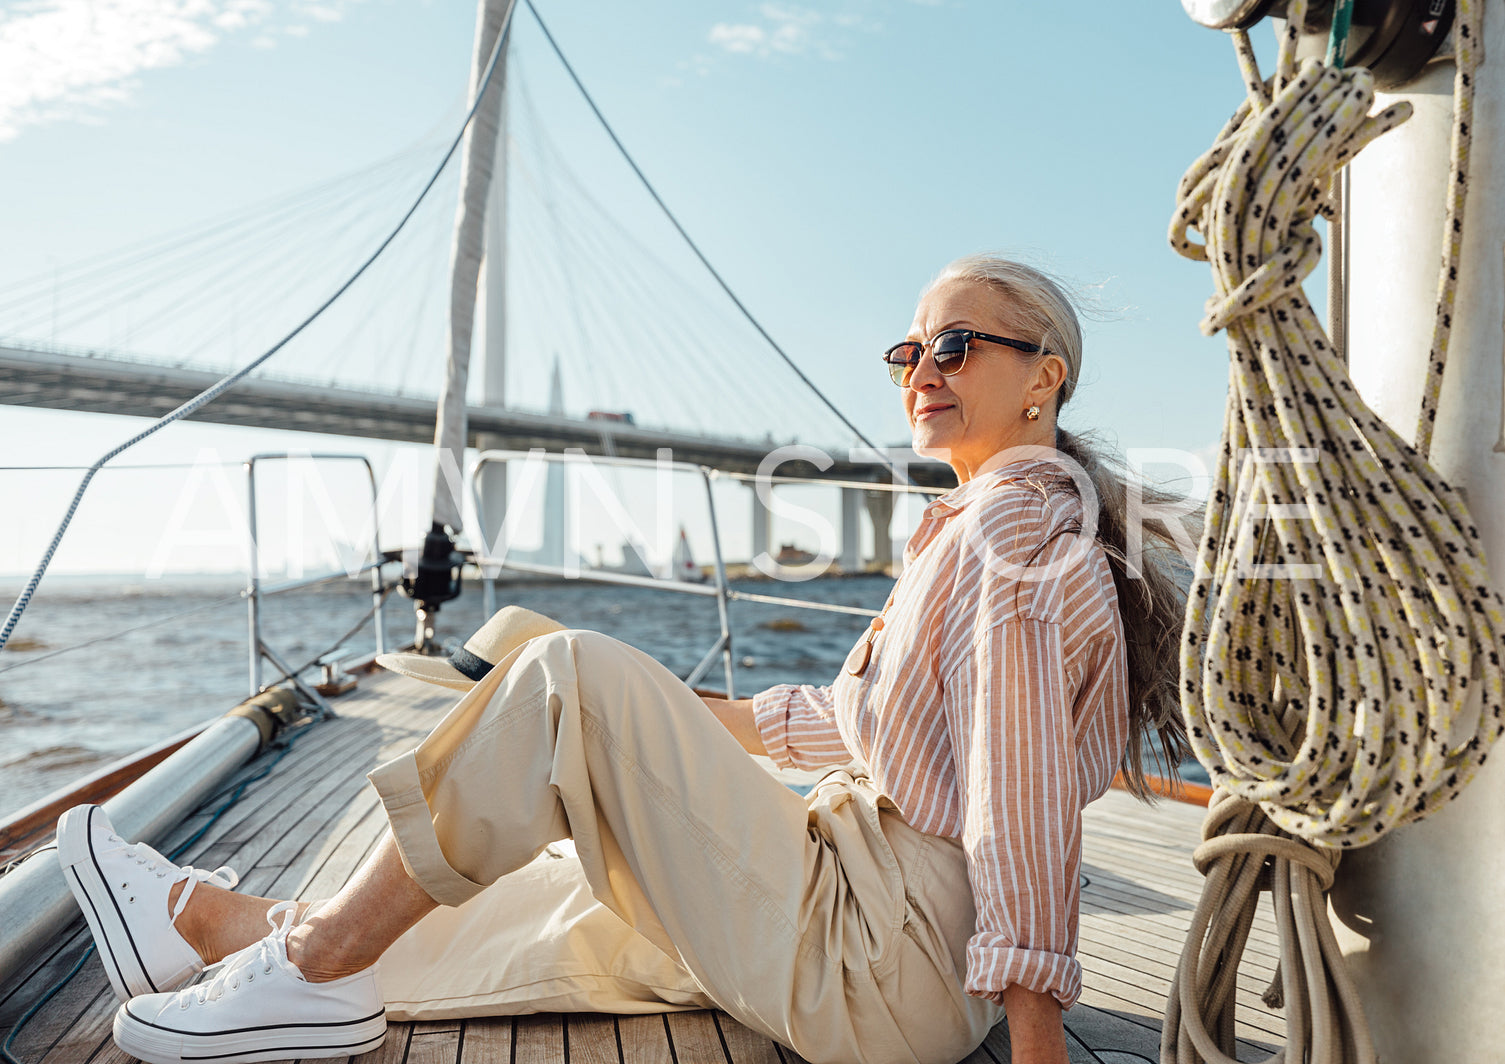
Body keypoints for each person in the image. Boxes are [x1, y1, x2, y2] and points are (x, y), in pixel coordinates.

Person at [57, 255, 1190, 1064]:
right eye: (906, 348)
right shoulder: (990, 530)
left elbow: (1019, 794)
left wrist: (1038, 1042)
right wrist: (673, 716)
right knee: (569, 898)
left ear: (1044, 376)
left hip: (889, 950)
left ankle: (308, 960)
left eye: (954, 344)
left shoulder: (1016, 527)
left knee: (570, 678)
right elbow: (874, 723)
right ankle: (216, 928)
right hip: (891, 939)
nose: (919, 368)